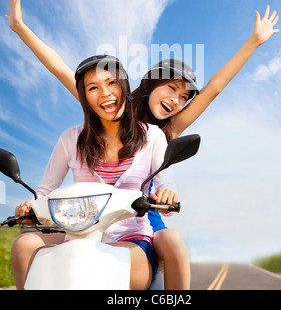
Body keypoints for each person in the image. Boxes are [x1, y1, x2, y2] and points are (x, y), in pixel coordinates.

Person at [6, 0, 280, 288]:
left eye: (183, 97)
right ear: (149, 84)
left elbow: (213, 88)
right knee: (28, 244)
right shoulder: (104, 104)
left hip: (140, 213)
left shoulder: (163, 133)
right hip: (84, 219)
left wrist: (253, 42)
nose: (176, 101)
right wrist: (21, 28)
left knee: (170, 244)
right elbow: (61, 69)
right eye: (171, 88)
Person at [11, 55, 177, 290]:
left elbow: (165, 182)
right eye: (93, 87)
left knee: (103, 262)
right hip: (77, 236)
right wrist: (30, 206)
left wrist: (166, 194)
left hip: (132, 238)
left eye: (111, 83)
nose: (105, 93)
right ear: (84, 98)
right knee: (23, 245)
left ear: (125, 86)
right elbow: (45, 191)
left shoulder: (152, 136)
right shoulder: (70, 139)